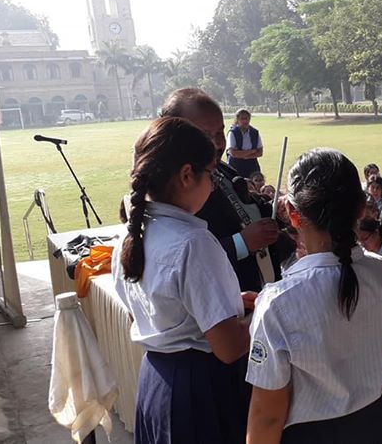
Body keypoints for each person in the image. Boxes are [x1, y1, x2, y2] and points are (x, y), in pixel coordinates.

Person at [245, 149, 382, 443]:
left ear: (292, 214)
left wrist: (268, 312)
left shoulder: (278, 304)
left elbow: (266, 417)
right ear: (361, 208)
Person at [113, 117, 253, 442]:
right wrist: (264, 311)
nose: (215, 184)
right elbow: (229, 348)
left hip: (157, 380)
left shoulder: (130, 236)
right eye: (211, 173)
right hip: (201, 391)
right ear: (187, 175)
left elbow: (150, 312)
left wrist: (230, 304)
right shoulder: (193, 242)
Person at [161, 89, 282, 294]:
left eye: (219, 132)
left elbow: (247, 210)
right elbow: (184, 260)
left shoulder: (222, 168)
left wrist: (277, 208)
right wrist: (241, 243)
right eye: (204, 135)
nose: (217, 143)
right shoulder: (171, 190)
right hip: (228, 306)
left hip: (262, 292)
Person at [226, 108, 264, 178]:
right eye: (242, 119)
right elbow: (233, 153)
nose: (245, 121)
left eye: (247, 118)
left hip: (252, 167)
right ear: (237, 120)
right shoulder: (233, 133)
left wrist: (245, 156)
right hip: (236, 167)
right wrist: (252, 151)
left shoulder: (255, 132)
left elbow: (260, 152)